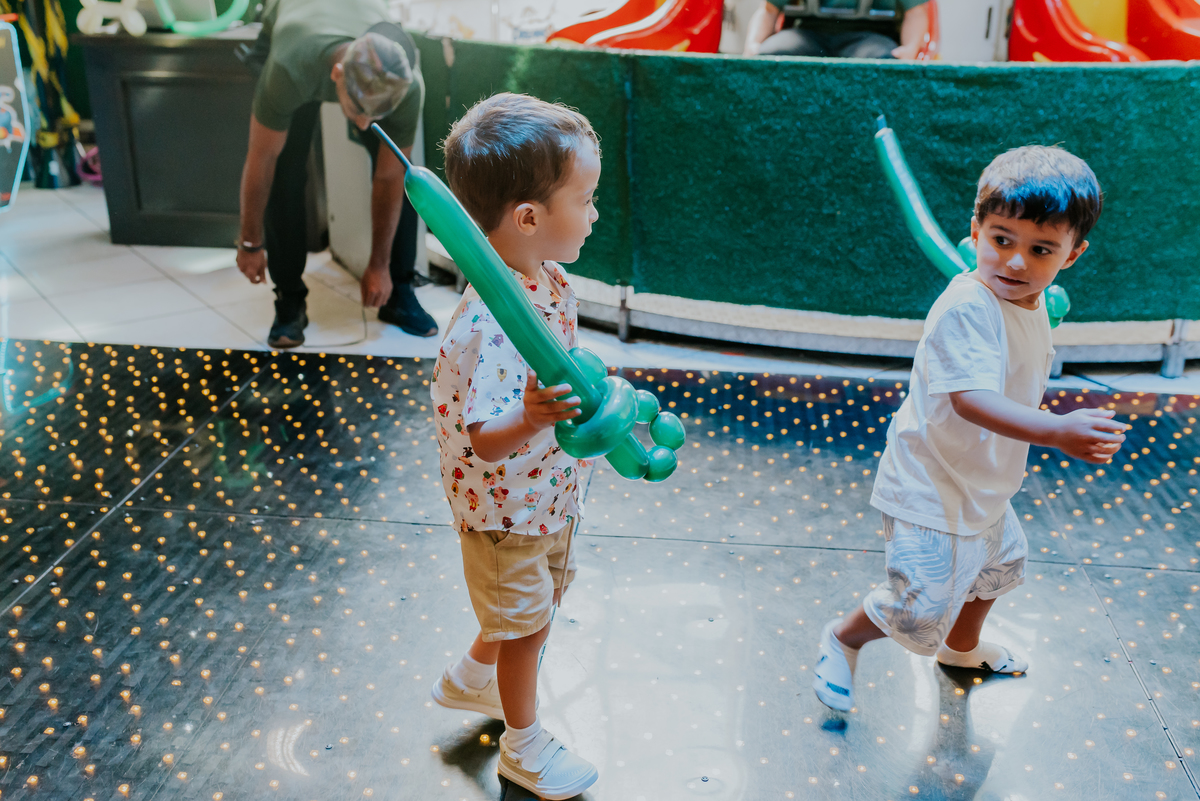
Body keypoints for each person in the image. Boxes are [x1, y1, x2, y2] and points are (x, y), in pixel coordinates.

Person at [812, 146, 1128, 713]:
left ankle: (961, 649)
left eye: (1040, 250)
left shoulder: (1031, 304)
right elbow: (970, 399)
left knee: (1000, 566)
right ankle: (843, 637)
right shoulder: (967, 307)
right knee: (919, 604)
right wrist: (1056, 431)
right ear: (975, 230)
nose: (1014, 262)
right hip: (929, 486)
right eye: (1001, 240)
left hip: (982, 478)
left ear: (1073, 255)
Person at [428, 93, 601, 799]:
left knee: (539, 601)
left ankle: (471, 680)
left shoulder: (547, 280)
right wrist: (530, 416)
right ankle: (523, 747)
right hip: (504, 510)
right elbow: (484, 440)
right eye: (585, 200)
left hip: (546, 494)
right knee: (527, 626)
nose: (594, 214)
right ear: (529, 218)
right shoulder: (490, 326)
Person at [235, 0, 438, 349]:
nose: (363, 124)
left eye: (375, 114)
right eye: (358, 110)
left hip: (353, 24)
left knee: (402, 173)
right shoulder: (289, 68)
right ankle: (289, 299)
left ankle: (399, 290)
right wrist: (250, 243)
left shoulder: (407, 82)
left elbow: (389, 179)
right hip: (295, 30)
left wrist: (378, 265)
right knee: (284, 168)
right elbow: (261, 157)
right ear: (337, 75)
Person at [744, 0, 932, 59]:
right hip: (808, 33)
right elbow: (768, 11)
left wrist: (909, 49)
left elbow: (915, 13)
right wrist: (753, 45)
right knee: (772, 54)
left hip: (870, 36)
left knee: (882, 62)